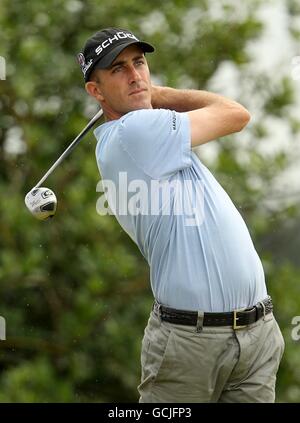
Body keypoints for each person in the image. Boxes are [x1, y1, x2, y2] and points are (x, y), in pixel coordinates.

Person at [77, 27, 285, 403]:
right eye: (118, 69)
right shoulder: (134, 133)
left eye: (139, 63)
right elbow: (236, 115)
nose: (135, 75)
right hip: (191, 343)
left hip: (255, 336)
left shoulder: (152, 130)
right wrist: (161, 94)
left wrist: (147, 97)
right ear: (96, 91)